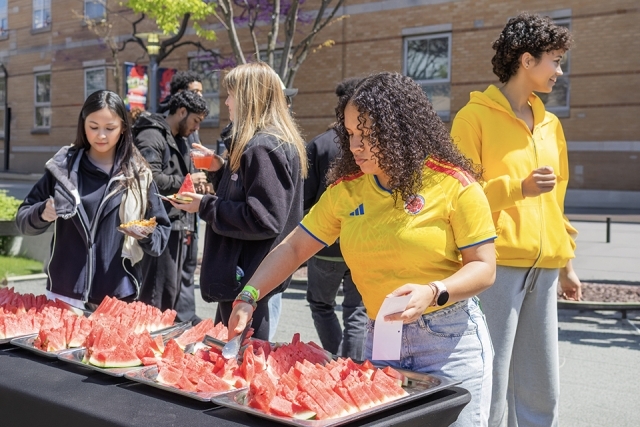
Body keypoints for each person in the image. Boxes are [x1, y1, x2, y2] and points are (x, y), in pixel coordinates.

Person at [227, 72, 497, 427]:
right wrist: (248, 295)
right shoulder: (347, 190)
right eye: (352, 134)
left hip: (449, 343)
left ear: (401, 131)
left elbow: (483, 268)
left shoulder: (454, 185)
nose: (355, 146)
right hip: (383, 337)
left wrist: (434, 291)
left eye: (368, 136)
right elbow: (293, 249)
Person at [450, 12, 582, 427]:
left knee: (541, 384)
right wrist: (517, 188)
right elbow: (457, 198)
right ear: (527, 60)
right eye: (555, 60)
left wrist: (567, 265)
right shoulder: (473, 118)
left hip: (544, 268)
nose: (559, 71)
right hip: (495, 265)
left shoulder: (551, 125)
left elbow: (558, 199)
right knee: (491, 373)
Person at [172, 62, 307, 341]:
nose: (227, 102)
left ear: (249, 98)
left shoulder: (261, 147)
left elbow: (264, 218)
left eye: (231, 94)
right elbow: (252, 190)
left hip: (246, 276)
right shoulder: (269, 143)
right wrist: (222, 167)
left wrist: (204, 205)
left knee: (242, 361)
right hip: (250, 276)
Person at [15, 90, 170, 309]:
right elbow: (23, 220)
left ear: (123, 128)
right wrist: (41, 213)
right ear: (83, 124)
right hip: (64, 294)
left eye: (110, 128)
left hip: (118, 297)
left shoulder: (139, 175)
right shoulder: (62, 168)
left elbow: (161, 237)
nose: (101, 136)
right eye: (94, 127)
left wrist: (145, 234)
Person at [304, 77, 367, 360]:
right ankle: (351, 362)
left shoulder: (318, 145)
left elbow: (305, 200)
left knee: (320, 304)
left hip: (324, 245)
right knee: (356, 308)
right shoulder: (373, 145)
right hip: (361, 242)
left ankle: (335, 357)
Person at [133, 90, 209, 312]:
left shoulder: (181, 139)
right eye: (195, 121)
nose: (196, 128)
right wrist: (186, 181)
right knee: (156, 296)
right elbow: (149, 177)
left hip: (179, 224)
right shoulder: (151, 135)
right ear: (181, 112)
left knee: (170, 294)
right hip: (159, 226)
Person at [159, 70, 208, 324]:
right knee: (169, 274)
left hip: (190, 208)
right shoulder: (163, 130)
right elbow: (156, 175)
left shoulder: (192, 128)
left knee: (188, 265)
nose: (200, 96)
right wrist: (187, 182)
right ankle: (178, 318)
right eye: (194, 92)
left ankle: (185, 315)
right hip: (172, 212)